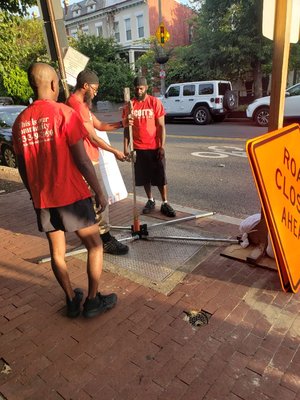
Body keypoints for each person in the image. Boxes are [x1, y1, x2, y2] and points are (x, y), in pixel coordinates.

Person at [12, 63, 117, 319]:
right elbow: (82, 161)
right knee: (95, 245)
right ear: (53, 84)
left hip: (44, 198)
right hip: (71, 195)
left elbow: (23, 168)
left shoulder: (19, 122)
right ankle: (92, 301)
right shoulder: (64, 114)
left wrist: (32, 192)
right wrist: (99, 191)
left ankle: (71, 300)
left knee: (57, 252)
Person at [66, 69, 129, 255]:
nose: (96, 92)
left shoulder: (81, 105)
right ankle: (104, 239)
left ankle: (96, 235)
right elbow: (93, 137)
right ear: (85, 86)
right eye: (94, 88)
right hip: (85, 163)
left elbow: (100, 125)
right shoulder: (76, 106)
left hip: (89, 160)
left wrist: (122, 123)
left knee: (95, 201)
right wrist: (115, 151)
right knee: (100, 199)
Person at [123, 76, 176, 217]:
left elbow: (161, 126)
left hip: (154, 147)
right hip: (139, 148)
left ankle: (165, 202)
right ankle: (150, 200)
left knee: (160, 177)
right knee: (145, 177)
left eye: (141, 88)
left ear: (146, 88)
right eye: (136, 88)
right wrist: (125, 148)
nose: (138, 91)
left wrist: (162, 146)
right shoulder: (130, 105)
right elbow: (126, 129)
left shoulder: (154, 102)